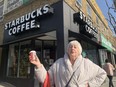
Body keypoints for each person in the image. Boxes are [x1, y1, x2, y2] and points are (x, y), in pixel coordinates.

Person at [29, 40, 107, 87]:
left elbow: (102, 74)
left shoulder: (87, 63)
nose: (72, 48)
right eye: (70, 47)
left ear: (79, 50)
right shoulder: (58, 63)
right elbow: (47, 79)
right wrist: (38, 65)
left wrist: (90, 85)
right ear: (67, 50)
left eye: (75, 47)